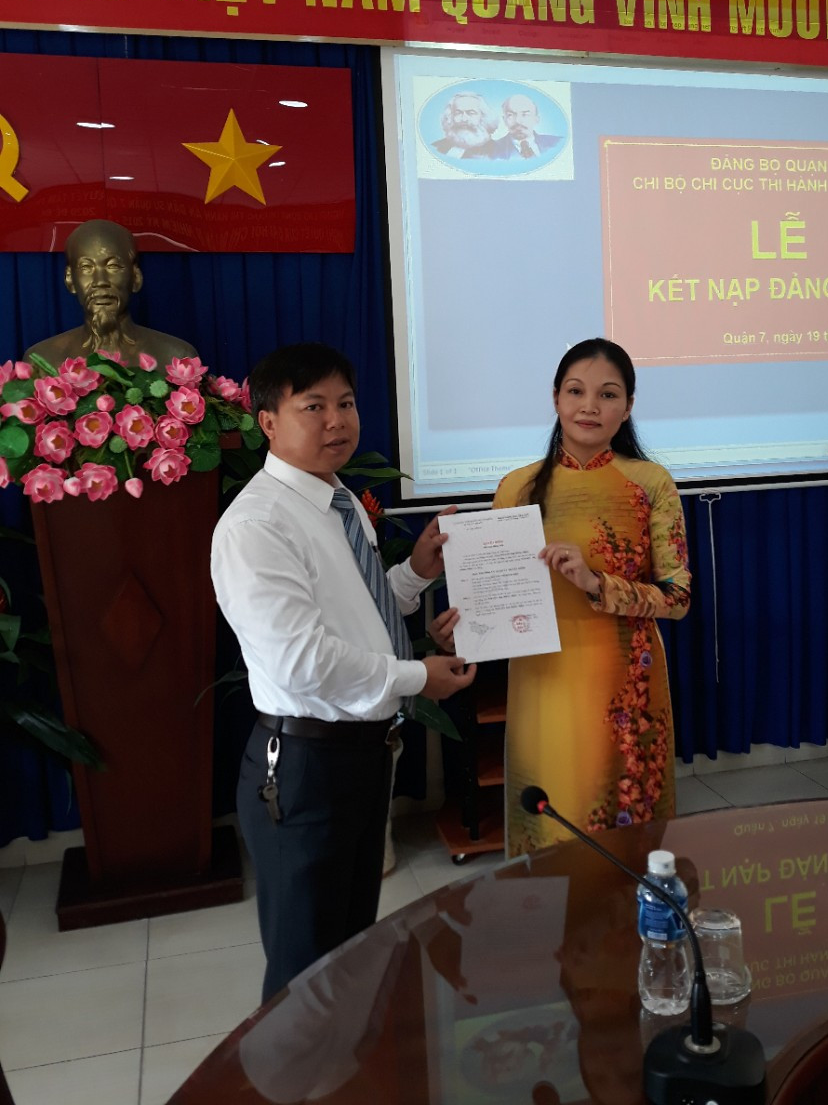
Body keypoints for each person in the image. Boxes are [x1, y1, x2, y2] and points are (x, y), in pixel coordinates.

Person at [210, 342, 476, 1002]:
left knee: (350, 954)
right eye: (314, 406)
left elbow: (358, 611)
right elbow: (301, 661)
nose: (337, 421)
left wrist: (415, 573)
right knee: (305, 978)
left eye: (346, 403)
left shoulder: (338, 499)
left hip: (362, 757)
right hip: (304, 768)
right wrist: (417, 677)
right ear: (268, 421)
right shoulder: (256, 525)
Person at [491, 338, 691, 856]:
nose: (589, 406)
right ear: (556, 398)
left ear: (628, 407)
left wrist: (597, 584)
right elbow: (499, 596)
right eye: (576, 391)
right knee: (550, 826)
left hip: (624, 686)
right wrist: (465, 623)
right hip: (542, 679)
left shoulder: (650, 484)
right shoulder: (516, 489)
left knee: (624, 837)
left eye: (608, 394)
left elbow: (678, 597)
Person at [23, 219, 197, 367]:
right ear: (70, 279)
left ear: (136, 277)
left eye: (113, 266)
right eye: (86, 267)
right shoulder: (42, 360)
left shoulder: (177, 357)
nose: (100, 281)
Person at [488, 93, 562, 161]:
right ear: (504, 120)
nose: (518, 121)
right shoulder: (491, 151)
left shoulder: (558, 143)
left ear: (536, 119)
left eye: (525, 114)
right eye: (510, 115)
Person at [431, 92, 499, 158]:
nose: (464, 119)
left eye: (471, 113)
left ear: (483, 117)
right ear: (450, 117)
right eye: (458, 113)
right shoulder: (436, 147)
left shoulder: (497, 151)